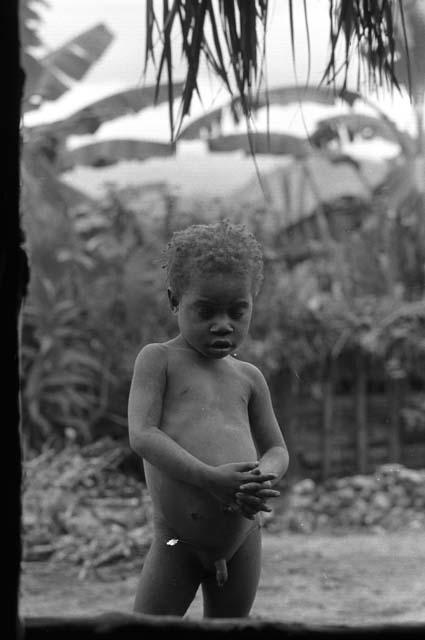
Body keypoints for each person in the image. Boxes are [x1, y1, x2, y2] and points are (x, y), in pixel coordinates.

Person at [128, 220, 289, 618]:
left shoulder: (249, 377)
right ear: (174, 300)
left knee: (231, 628)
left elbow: (277, 449)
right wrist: (209, 479)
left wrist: (261, 478)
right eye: (206, 310)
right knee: (148, 629)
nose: (223, 324)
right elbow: (143, 435)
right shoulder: (158, 359)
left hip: (242, 538)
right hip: (178, 542)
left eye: (237, 311)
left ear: (253, 302)